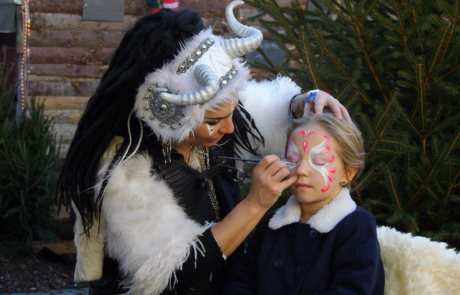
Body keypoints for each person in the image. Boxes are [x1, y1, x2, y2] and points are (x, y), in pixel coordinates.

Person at [58, 1, 350, 294]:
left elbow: (269, 114)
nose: (230, 128)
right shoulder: (125, 170)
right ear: (169, 117)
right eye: (213, 121)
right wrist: (254, 205)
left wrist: (303, 102)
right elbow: (167, 273)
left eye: (231, 110)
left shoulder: (217, 116)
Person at [223, 113, 385, 295]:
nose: (301, 170)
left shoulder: (356, 226)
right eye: (293, 160)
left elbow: (352, 289)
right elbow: (239, 282)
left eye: (318, 161)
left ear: (348, 173)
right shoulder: (271, 222)